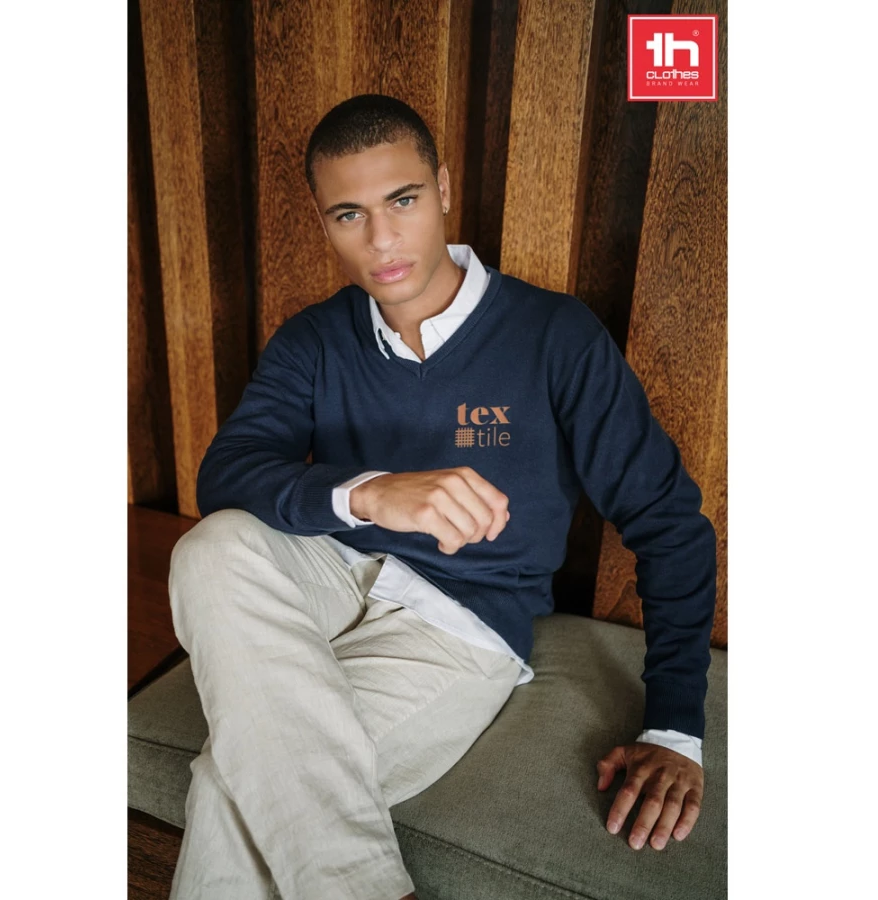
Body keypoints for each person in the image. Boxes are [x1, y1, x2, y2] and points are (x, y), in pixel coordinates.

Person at [166, 93, 717, 900]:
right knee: (211, 546)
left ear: (444, 188)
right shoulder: (314, 338)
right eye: (349, 214)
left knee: (234, 784)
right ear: (324, 222)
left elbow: (669, 522)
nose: (381, 239)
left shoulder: (555, 335)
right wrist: (372, 493)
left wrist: (675, 726)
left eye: (403, 200)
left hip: (459, 623)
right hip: (329, 573)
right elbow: (228, 474)